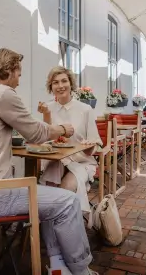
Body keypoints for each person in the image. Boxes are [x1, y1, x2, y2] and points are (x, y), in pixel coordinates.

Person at [0, 48, 97, 275]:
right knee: (68, 202)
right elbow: (36, 134)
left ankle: (58, 268)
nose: (19, 82)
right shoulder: (3, 93)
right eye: (19, 75)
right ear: (9, 70)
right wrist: (63, 128)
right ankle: (81, 270)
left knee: (52, 198)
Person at [37, 66, 102, 214]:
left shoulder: (85, 109)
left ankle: (66, 229)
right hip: (55, 162)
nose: (60, 86)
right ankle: (52, 232)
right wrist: (46, 115)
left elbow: (94, 145)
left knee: (65, 189)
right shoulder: (48, 108)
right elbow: (46, 140)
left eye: (64, 81)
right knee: (49, 195)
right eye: (55, 82)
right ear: (51, 87)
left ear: (71, 84)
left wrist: (88, 146)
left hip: (81, 162)